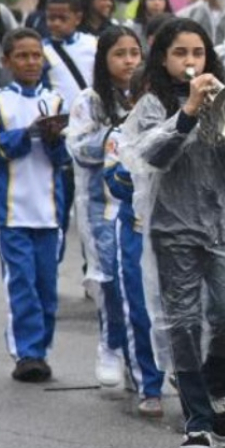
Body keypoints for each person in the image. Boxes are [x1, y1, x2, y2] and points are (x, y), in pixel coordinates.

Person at [122, 17, 225, 448]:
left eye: (198, 53)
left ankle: (216, 384)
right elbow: (148, 157)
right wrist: (187, 113)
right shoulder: (151, 105)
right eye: (180, 53)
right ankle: (197, 422)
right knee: (184, 322)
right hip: (173, 226)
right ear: (162, 59)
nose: (190, 61)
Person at [0, 28, 71, 382]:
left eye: (36, 56)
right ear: (6, 61)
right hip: (11, 212)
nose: (31, 62)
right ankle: (27, 353)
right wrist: (25, 135)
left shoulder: (56, 101)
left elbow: (65, 157)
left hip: (49, 212)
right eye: (22, 56)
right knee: (22, 284)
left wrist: (54, 138)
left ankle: (40, 350)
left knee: (46, 286)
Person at [67, 27, 145, 389]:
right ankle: (111, 345)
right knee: (110, 277)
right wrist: (117, 133)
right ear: (104, 59)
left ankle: (141, 357)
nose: (129, 61)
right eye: (120, 54)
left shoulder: (150, 95)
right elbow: (80, 148)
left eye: (135, 53)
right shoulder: (90, 99)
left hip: (142, 202)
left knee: (141, 281)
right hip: (102, 205)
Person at [103, 115, 167, 417]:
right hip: (137, 230)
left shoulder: (188, 126)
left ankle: (187, 376)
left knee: (185, 312)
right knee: (140, 311)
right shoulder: (121, 134)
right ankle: (149, 385)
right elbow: (116, 184)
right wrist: (146, 150)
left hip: (181, 231)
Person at [42, 0, 97, 107]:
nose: (56, 23)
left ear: (78, 18)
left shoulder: (93, 43)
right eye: (51, 18)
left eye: (63, 18)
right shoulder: (41, 50)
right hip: (59, 114)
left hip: (91, 111)